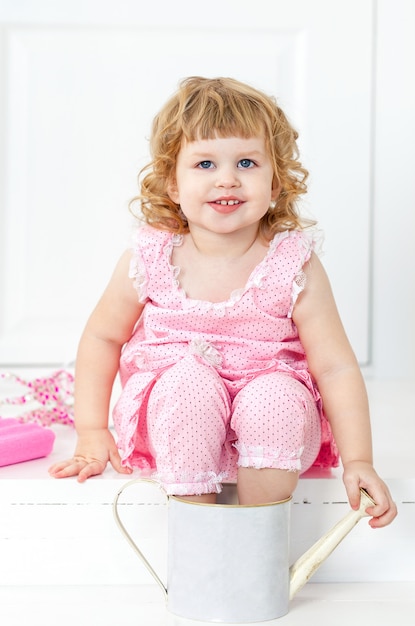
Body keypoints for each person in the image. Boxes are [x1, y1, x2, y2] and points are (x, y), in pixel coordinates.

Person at [49, 76, 397, 528]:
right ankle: (199, 537)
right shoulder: (150, 258)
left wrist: (359, 460)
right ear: (172, 183)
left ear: (276, 184)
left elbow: (335, 367)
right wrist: (91, 431)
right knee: (184, 381)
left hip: (275, 436)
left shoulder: (293, 264)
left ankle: (256, 537)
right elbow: (101, 337)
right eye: (206, 163)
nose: (227, 178)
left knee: (275, 392)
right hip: (179, 430)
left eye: (248, 162)